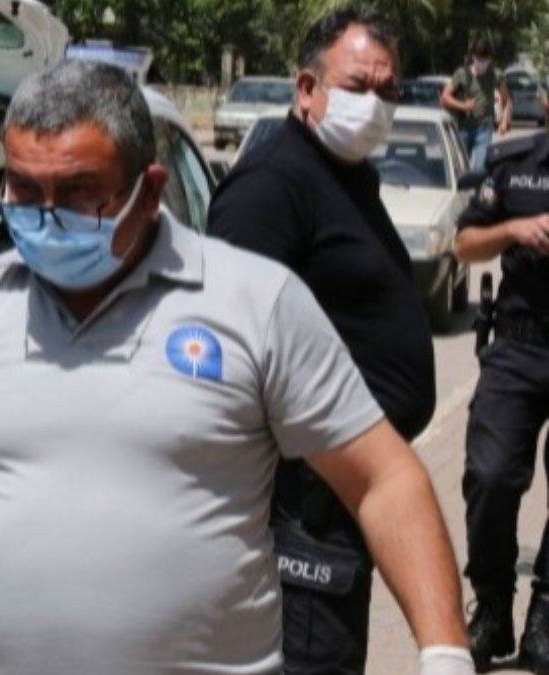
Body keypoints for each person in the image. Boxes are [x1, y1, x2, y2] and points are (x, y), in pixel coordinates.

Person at [0, 60, 471, 674]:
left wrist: (444, 654)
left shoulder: (254, 302)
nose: (46, 215)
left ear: (150, 189)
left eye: (78, 192)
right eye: (23, 189)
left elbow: (383, 479)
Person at [205, 8, 436, 673]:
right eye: (359, 85)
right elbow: (229, 349)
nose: (375, 104)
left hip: (340, 505)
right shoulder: (273, 185)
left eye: (389, 90)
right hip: (299, 513)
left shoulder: (343, 173)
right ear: (307, 88)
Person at [454, 131, 549, 672]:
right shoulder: (516, 165)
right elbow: (464, 245)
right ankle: (492, 607)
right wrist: (515, 230)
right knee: (489, 477)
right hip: (518, 346)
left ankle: (546, 613)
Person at [442, 38, 512, 171]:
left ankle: (478, 184)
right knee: (461, 168)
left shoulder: (496, 75)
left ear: (490, 59)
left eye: (485, 60)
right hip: (463, 127)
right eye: (478, 59)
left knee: (480, 168)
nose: (481, 63)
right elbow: (445, 97)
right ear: (473, 57)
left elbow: (507, 99)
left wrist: (504, 120)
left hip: (484, 128)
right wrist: (463, 106)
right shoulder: (462, 74)